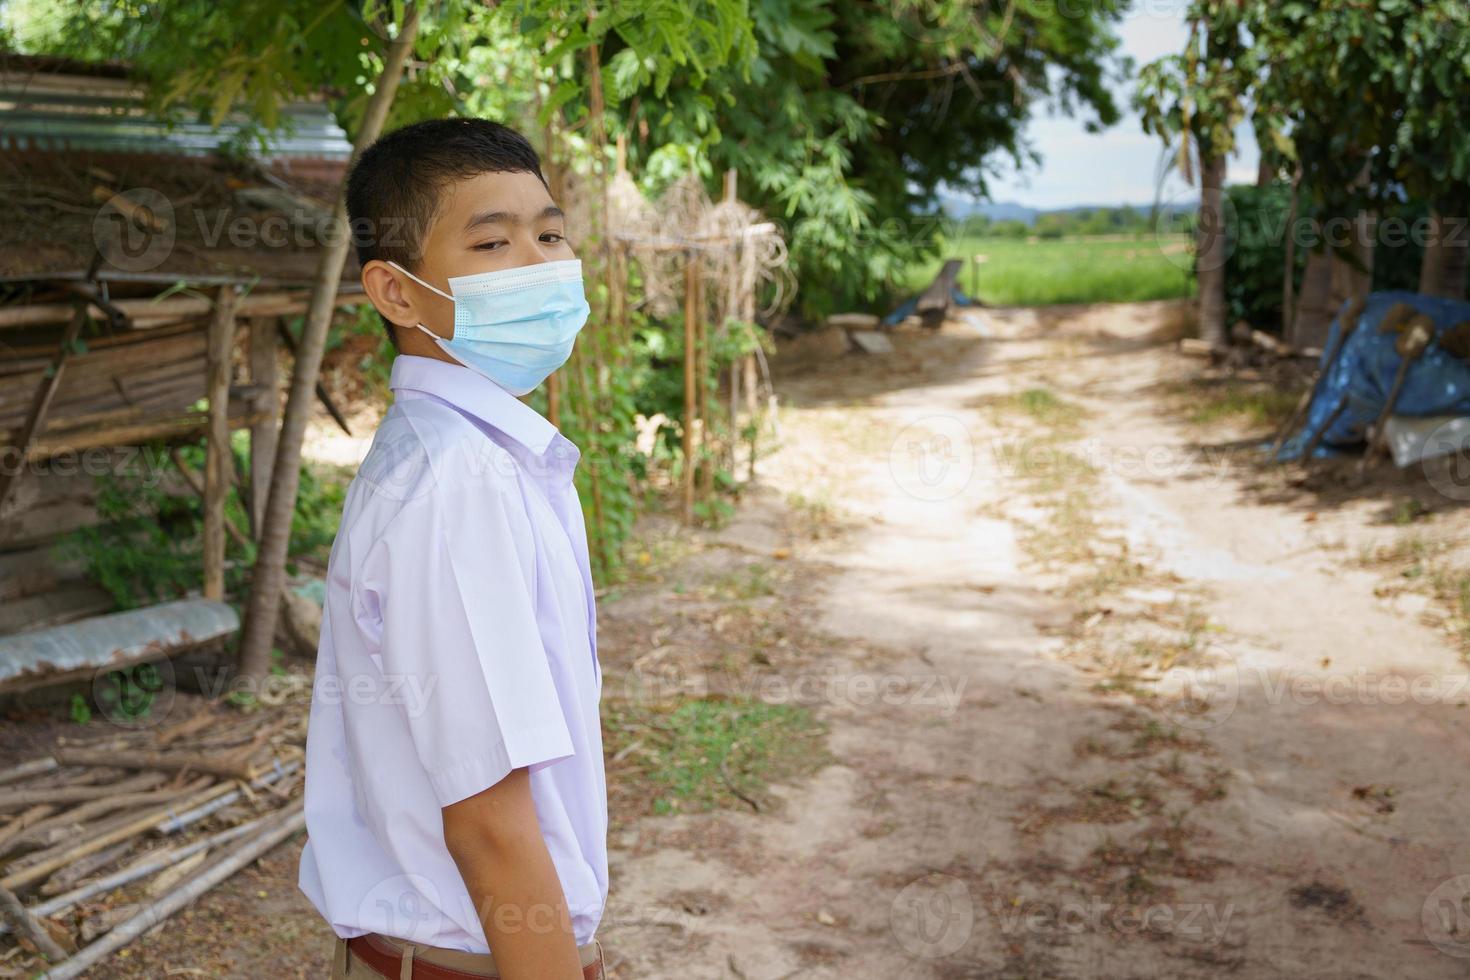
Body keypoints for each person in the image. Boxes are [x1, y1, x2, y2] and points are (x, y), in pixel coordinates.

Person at [298, 117, 607, 980]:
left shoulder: (481, 458)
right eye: (493, 243)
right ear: (397, 293)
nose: (543, 265)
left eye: (549, 233)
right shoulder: (457, 487)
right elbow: (491, 830)